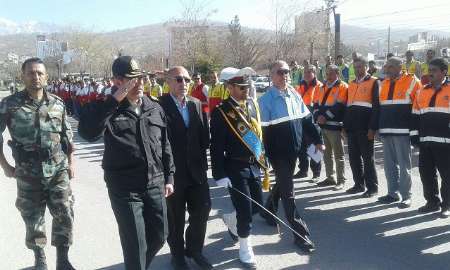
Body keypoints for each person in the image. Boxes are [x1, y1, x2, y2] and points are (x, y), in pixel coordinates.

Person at [78, 56, 175, 270]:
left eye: (140, 78)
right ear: (117, 81)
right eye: (132, 79)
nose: (139, 83)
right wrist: (115, 100)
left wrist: (169, 176)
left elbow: (165, 144)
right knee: (135, 245)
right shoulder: (107, 109)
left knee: (160, 235)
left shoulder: (153, 107)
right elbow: (88, 132)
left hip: (155, 182)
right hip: (125, 188)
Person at [0, 57, 76, 270]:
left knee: (64, 212)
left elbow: (66, 137)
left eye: (40, 73)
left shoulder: (57, 103)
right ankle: (40, 259)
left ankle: (63, 259)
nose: (36, 77)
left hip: (58, 168)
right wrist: (5, 165)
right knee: (32, 216)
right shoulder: (9, 105)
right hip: (27, 171)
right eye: (31, 73)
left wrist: (71, 162)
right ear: (22, 76)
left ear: (46, 76)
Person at [258, 60, 324, 253]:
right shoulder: (265, 101)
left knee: (283, 183)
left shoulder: (295, 94)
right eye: (280, 72)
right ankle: (301, 235)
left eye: (287, 71)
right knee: (289, 193)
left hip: (295, 151)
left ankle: (268, 209)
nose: (285, 75)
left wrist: (318, 140)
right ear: (271, 75)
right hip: (278, 155)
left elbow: (307, 120)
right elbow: (263, 134)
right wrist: (265, 158)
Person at [210, 66, 264, 269]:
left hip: (253, 165)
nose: (246, 90)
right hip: (234, 166)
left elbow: (257, 135)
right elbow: (216, 146)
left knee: (257, 205)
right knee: (245, 209)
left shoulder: (250, 106)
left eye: (247, 86)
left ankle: (231, 220)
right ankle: (245, 247)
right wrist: (219, 174)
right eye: (241, 87)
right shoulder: (222, 112)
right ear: (230, 87)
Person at [159, 66, 212, 270]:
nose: (184, 84)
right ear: (168, 82)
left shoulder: (196, 103)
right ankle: (178, 256)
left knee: (202, 210)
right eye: (179, 79)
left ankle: (194, 249)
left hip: (197, 171)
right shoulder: (159, 106)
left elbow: (202, 137)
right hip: (173, 173)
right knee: (176, 218)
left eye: (187, 80)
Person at [377, 57, 421, 208]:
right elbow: (380, 108)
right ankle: (392, 193)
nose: (387, 69)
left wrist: (415, 131)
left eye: (390, 67)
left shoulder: (412, 81)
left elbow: (418, 106)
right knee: (389, 165)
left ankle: (406, 196)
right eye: (386, 67)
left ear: (399, 66)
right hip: (386, 129)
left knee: (404, 165)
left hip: (403, 131)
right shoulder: (383, 83)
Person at [411, 58, 450, 217]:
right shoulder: (422, 91)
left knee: (447, 175)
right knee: (426, 173)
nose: (430, 73)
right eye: (429, 70)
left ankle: (447, 205)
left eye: (434, 70)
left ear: (444, 72)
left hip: (446, 143)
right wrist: (414, 137)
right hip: (426, 141)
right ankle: (432, 202)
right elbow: (414, 116)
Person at [343, 57, 380, 198]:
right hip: (352, 127)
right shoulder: (351, 84)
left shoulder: (374, 82)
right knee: (353, 158)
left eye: (360, 67)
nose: (357, 69)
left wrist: (372, 128)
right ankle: (358, 184)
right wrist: (344, 126)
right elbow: (348, 106)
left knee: (367, 158)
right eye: (355, 67)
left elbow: (376, 107)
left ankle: (372, 188)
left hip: (365, 128)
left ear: (365, 66)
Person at [313, 65, 348, 190]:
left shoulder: (342, 86)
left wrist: (325, 117)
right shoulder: (322, 87)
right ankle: (330, 178)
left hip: (335, 125)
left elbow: (340, 106)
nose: (328, 76)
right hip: (323, 126)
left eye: (331, 74)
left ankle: (341, 180)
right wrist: (317, 115)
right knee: (326, 154)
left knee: (339, 155)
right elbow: (316, 103)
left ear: (337, 74)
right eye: (327, 74)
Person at [294, 65, 322, 181]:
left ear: (314, 73)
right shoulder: (300, 85)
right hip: (300, 118)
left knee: (314, 146)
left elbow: (317, 103)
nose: (306, 74)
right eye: (305, 72)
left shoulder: (319, 86)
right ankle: (303, 170)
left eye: (309, 72)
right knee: (301, 146)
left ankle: (316, 173)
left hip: (312, 119)